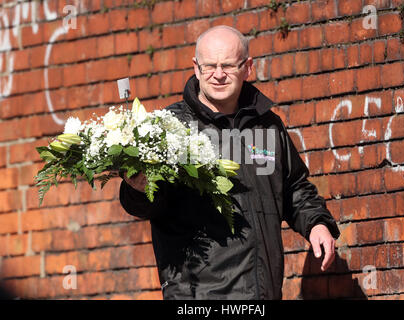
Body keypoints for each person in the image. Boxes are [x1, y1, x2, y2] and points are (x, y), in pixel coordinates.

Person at [119, 25, 340, 299]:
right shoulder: (172, 128)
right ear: (196, 68)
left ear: (247, 68)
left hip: (263, 292)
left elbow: (293, 187)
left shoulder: (267, 126)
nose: (218, 74)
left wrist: (317, 223)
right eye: (209, 66)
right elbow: (147, 202)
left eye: (228, 65)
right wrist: (138, 187)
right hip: (199, 295)